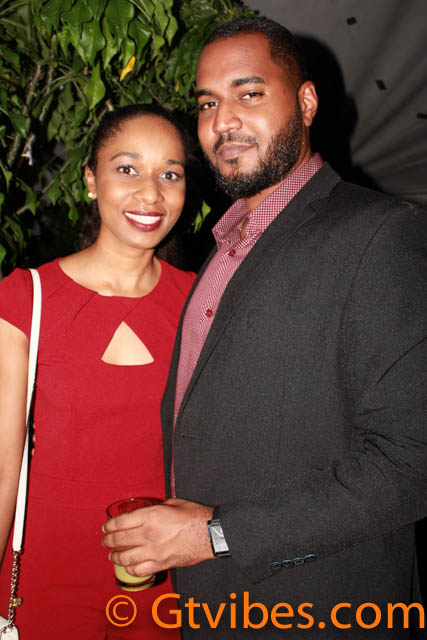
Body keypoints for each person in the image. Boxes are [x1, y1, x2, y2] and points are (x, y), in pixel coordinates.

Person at [103, 18, 427, 638]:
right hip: (210, 608)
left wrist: (216, 534)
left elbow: (411, 463)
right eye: (207, 103)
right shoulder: (220, 249)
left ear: (306, 102)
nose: (223, 121)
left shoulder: (380, 234)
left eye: (248, 93)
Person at [0, 103, 197, 639]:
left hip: (162, 577)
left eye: (170, 174)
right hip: (43, 576)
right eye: (127, 169)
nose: (150, 193)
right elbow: (3, 470)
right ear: (91, 180)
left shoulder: (200, 300)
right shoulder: (26, 298)